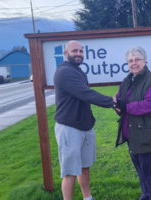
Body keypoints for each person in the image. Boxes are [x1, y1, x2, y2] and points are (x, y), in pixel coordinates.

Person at [54, 40, 116, 200]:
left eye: (81, 51)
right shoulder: (65, 72)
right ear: (65, 53)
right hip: (69, 127)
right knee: (69, 172)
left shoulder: (77, 71)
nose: (79, 54)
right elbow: (86, 93)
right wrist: (112, 102)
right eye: (75, 51)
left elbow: (84, 95)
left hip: (85, 126)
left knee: (84, 167)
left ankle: (87, 197)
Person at [115, 47, 151, 200]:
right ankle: (147, 195)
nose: (134, 63)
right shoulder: (127, 81)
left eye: (137, 59)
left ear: (145, 61)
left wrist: (126, 107)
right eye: (130, 60)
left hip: (150, 138)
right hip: (135, 138)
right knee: (143, 174)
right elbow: (120, 99)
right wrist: (118, 106)